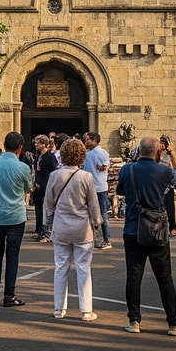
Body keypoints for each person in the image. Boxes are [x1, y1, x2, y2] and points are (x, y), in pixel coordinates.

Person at [116, 135, 176, 336]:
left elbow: (120, 191)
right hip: (157, 230)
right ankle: (174, 323)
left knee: (134, 275)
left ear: (138, 151)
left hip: (132, 228)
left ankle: (134, 320)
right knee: (164, 277)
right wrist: (171, 153)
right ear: (158, 151)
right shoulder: (164, 171)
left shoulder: (127, 169)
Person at [44, 136, 102, 321]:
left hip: (61, 227)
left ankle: (58, 309)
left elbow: (49, 203)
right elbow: (93, 205)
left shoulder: (54, 176)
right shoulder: (86, 177)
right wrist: (97, 223)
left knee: (60, 268)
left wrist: (47, 222)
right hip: (82, 228)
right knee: (83, 268)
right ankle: (86, 310)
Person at [0, 131, 35, 307]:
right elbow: (28, 187)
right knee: (12, 255)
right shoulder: (23, 168)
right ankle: (9, 294)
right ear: (20, 148)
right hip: (15, 215)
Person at [81, 132, 113, 248]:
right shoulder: (88, 154)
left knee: (103, 214)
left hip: (99, 187)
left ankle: (107, 239)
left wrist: (101, 167)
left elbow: (104, 166)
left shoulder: (101, 153)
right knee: (89, 213)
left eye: (88, 139)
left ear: (94, 140)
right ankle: (93, 236)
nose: (86, 141)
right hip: (89, 186)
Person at [33, 135, 58, 242]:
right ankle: (38, 230)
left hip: (46, 184)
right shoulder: (38, 156)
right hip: (38, 184)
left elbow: (54, 170)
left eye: (38, 143)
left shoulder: (50, 156)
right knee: (38, 208)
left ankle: (46, 231)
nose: (35, 144)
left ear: (44, 144)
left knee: (46, 209)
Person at [157, 135, 176, 236]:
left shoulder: (169, 156)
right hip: (158, 185)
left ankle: (173, 228)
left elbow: (175, 171)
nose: (162, 145)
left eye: (164, 143)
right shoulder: (156, 155)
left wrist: (172, 152)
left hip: (167, 185)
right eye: (161, 142)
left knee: (170, 208)